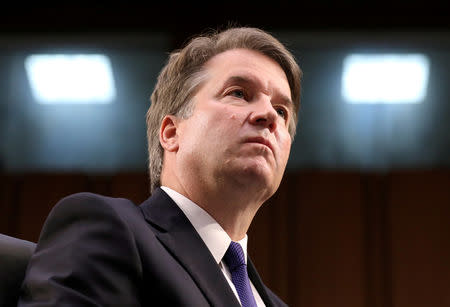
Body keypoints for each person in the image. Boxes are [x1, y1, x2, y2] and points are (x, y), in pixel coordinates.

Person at [19, 26, 302, 307]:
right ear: (171, 132)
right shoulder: (108, 229)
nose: (269, 115)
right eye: (238, 93)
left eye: (281, 111)